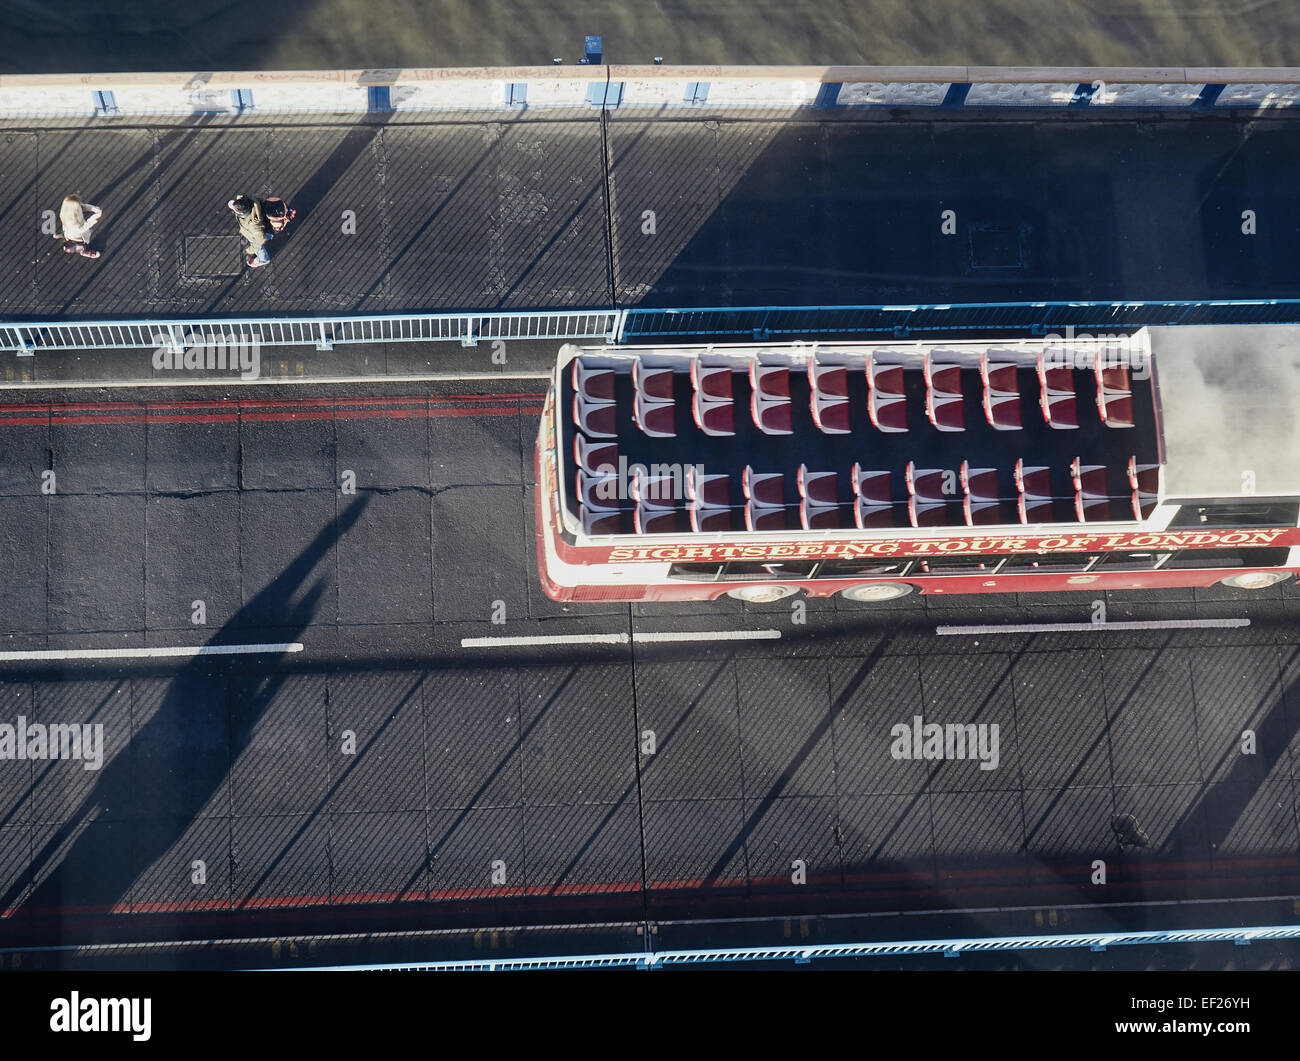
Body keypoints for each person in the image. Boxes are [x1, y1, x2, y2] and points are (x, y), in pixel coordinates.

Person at [228, 195, 272, 268]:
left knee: (259, 247)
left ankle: (263, 259)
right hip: (263, 227)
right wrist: (239, 200)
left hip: (253, 236)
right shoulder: (252, 202)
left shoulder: (253, 226)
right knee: (264, 234)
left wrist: (251, 249)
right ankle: (269, 235)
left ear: (242, 213)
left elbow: (259, 241)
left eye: (235, 210)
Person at [57, 195, 102, 259]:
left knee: (69, 234)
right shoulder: (71, 221)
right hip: (77, 237)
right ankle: (84, 252)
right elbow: (81, 229)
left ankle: (64, 235)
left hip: (70, 231)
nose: (80, 204)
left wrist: (93, 208)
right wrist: (92, 219)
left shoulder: (69, 209)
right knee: (82, 245)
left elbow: (83, 206)